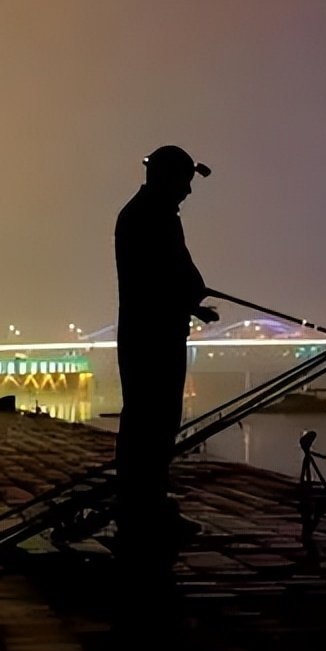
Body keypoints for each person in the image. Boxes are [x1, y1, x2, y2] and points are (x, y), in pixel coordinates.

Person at [113, 145, 218, 565]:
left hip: (156, 332)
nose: (190, 191)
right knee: (150, 423)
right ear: (165, 177)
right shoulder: (148, 218)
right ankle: (144, 510)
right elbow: (158, 278)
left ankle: (144, 505)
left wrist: (193, 305)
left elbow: (164, 277)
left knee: (152, 422)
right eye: (186, 181)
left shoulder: (149, 215)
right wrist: (190, 297)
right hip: (151, 338)